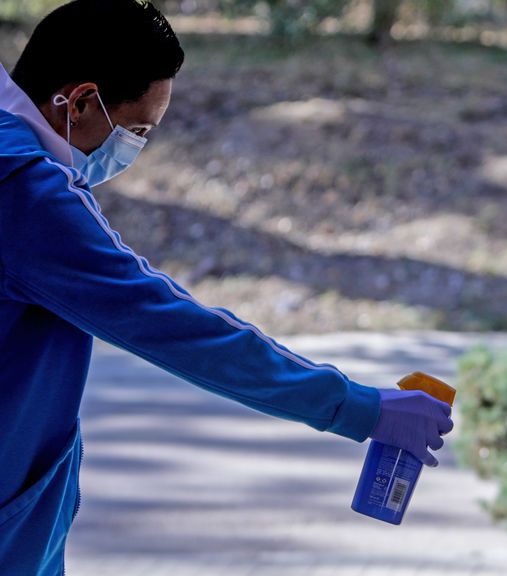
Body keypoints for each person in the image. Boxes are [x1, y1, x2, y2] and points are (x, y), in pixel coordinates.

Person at [0, 2, 453, 574]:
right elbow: (172, 326)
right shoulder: (24, 191)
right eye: (136, 130)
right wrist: (360, 408)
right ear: (82, 100)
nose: (134, 150)